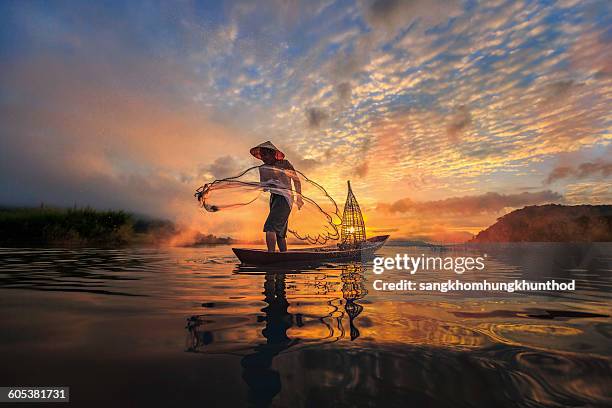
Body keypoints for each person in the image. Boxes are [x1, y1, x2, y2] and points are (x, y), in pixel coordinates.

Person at [250, 141, 303, 252]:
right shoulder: (264, 168)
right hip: (274, 198)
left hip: (285, 198)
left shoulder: (285, 164)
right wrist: (268, 183)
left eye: (265, 154)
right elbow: (264, 188)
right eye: (262, 155)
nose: (263, 158)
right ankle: (283, 256)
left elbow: (296, 180)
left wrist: (299, 198)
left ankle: (271, 255)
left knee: (270, 227)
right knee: (280, 233)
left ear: (273, 154)